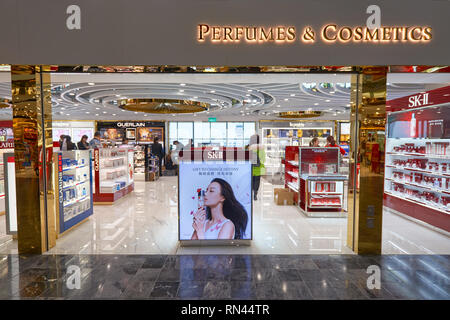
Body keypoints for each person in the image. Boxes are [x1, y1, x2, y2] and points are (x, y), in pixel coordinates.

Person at [249, 134, 265, 201]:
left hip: (251, 168)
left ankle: (250, 193)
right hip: (258, 169)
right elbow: (263, 159)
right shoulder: (261, 148)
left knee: (251, 181)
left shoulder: (249, 148)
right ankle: (255, 195)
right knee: (257, 181)